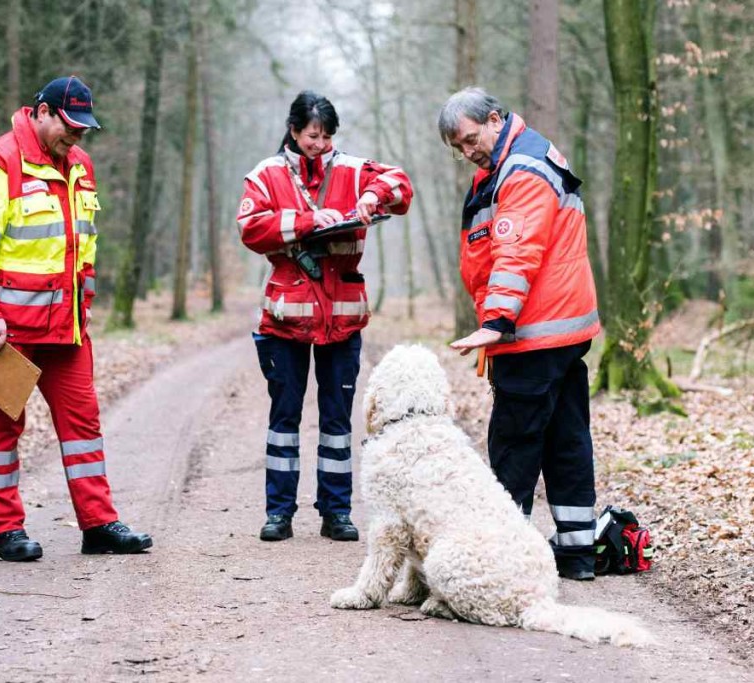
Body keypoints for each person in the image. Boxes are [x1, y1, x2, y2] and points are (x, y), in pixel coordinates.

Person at [0, 75, 152, 561]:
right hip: (8, 330)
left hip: (67, 326)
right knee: (1, 430)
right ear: (42, 112)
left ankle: (99, 524)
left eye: (84, 129)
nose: (76, 137)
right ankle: (5, 533)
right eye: (69, 126)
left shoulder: (80, 165)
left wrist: (83, 303)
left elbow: (84, 243)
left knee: (83, 425)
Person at [237, 91, 414, 542]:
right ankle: (279, 512)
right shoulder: (266, 175)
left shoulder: (354, 169)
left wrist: (373, 197)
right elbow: (250, 228)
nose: (321, 143)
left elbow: (401, 187)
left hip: (344, 316)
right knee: (285, 417)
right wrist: (308, 223)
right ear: (294, 131)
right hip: (286, 319)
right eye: (313, 135)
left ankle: (336, 512)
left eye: (328, 135)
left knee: (338, 422)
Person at [439, 86, 600, 580]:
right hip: (559, 329)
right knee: (566, 439)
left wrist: (495, 323)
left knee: (514, 443)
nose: (469, 152)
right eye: (459, 149)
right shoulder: (517, 159)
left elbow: (517, 251)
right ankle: (577, 552)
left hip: (531, 331)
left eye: (470, 139)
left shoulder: (522, 167)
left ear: (492, 119)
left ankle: (503, 557)